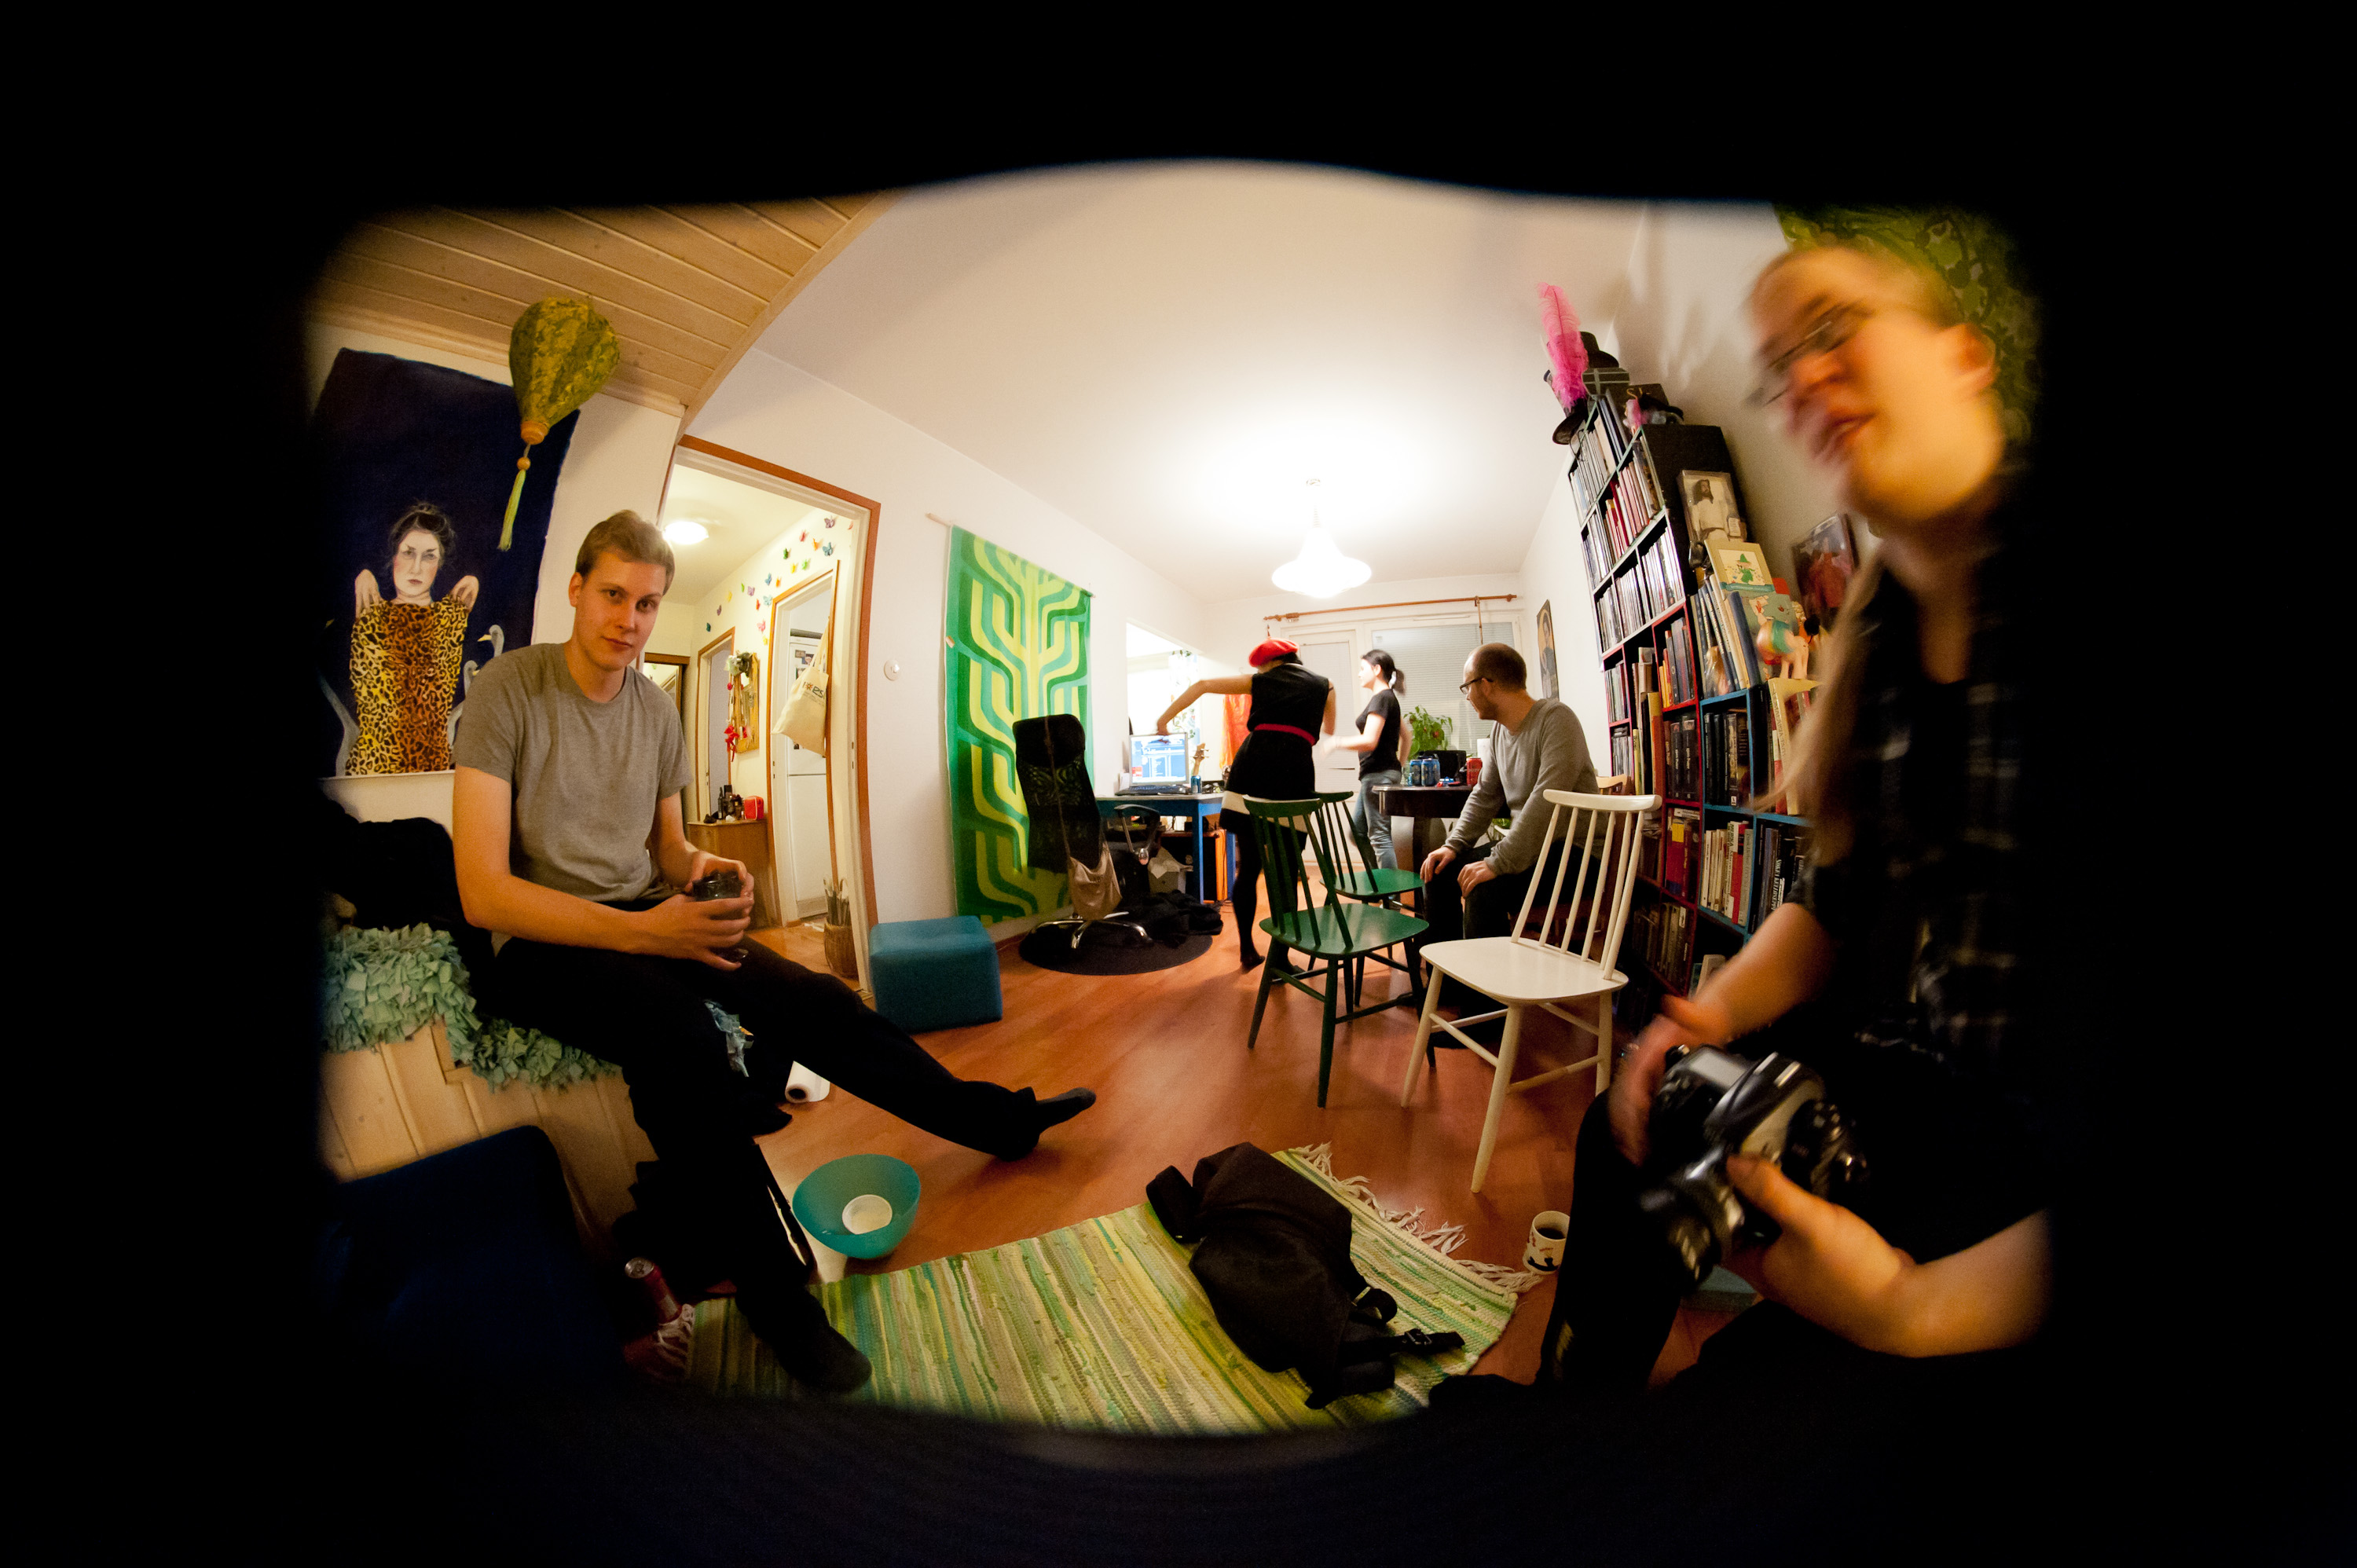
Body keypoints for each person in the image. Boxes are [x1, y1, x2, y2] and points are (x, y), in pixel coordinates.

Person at [1508, 240, 2055, 1416]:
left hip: (2034, 1185)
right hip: (1935, 1089)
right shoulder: (1882, 643)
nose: (1804, 379)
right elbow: (1833, 906)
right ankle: (1571, 1411)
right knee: (1627, 1125)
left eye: (1837, 328)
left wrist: (1915, 1307)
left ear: (1964, 358)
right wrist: (1698, 1020)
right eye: (1778, 369)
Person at [451, 511, 1096, 1393]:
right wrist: (646, 932)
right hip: (539, 940)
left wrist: (702, 870)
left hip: (643, 915)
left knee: (817, 1000)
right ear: (576, 588)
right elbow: (483, 892)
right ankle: (778, 1304)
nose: (630, 620)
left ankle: (997, 1122)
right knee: (679, 1034)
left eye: (647, 603)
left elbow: (668, 850)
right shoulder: (508, 691)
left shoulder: (655, 710)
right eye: (613, 595)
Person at [1417, 643, 1597, 1035]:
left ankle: (1485, 1018)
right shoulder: (1500, 732)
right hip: (1533, 850)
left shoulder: (1556, 719)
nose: (1467, 697)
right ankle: (1450, 987)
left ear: (1487, 684)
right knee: (1441, 872)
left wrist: (1498, 862)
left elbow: (1546, 800)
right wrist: (1453, 845)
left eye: (1467, 687)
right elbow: (1484, 795)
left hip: (1574, 855)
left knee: (1483, 890)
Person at [1157, 639, 1335, 971]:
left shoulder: (1261, 681)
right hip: (1294, 773)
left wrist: (1163, 721)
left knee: (1250, 866)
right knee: (1287, 872)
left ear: (1269, 664)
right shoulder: (1326, 685)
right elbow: (1330, 727)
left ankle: (1248, 949)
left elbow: (1202, 684)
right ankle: (1281, 958)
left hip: (1252, 768)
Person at [348, 504, 480, 775]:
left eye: (429, 557)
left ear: (440, 564)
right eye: (408, 553)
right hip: (373, 770)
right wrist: (360, 576)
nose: (416, 568)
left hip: (430, 771)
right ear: (393, 556)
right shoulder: (371, 614)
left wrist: (473, 581)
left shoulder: (450, 619)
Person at [1325, 649, 1405, 870]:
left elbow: (1370, 741)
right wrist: (1398, 767)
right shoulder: (1388, 699)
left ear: (1377, 669)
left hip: (1377, 775)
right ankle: (1378, 879)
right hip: (1379, 774)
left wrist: (1336, 742)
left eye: (1363, 668)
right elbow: (1407, 736)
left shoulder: (1382, 698)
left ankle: (1389, 890)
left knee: (1379, 836)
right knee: (1357, 832)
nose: (1359, 673)